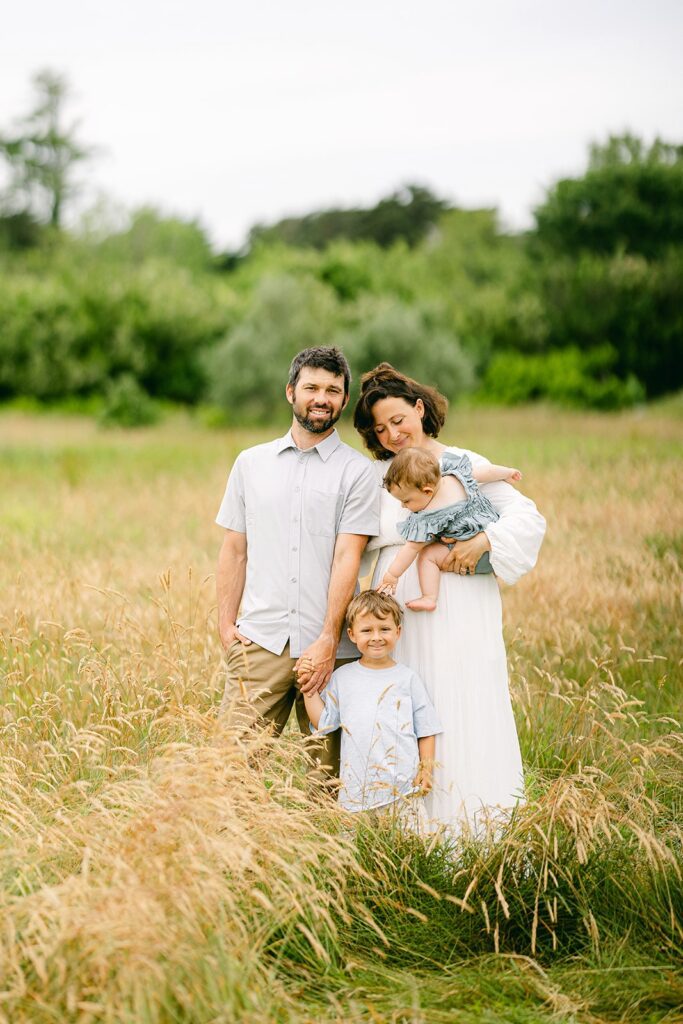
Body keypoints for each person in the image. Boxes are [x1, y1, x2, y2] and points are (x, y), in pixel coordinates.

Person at [353, 363, 546, 834]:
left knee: (464, 698)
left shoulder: (460, 461)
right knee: (407, 703)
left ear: (419, 408)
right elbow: (350, 544)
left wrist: (486, 542)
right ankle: (410, 834)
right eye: (380, 429)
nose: (392, 434)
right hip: (400, 613)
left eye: (398, 420)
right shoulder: (377, 478)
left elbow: (526, 516)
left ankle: (476, 828)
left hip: (462, 604)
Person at [215, 347, 380, 775]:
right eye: (311, 387)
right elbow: (235, 549)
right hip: (259, 644)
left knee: (327, 779)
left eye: (333, 390)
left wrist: (327, 639)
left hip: (330, 650)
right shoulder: (250, 464)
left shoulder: (358, 473)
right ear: (291, 392)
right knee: (232, 772)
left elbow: (348, 556)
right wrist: (225, 626)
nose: (321, 398)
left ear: (345, 401)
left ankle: (317, 845)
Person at [302, 591, 442, 818]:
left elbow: (426, 728)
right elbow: (324, 724)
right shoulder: (342, 677)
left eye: (384, 629)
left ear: (398, 632)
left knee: (409, 848)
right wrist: (308, 691)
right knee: (359, 851)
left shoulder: (407, 679)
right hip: (357, 794)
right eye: (367, 630)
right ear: (352, 634)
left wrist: (426, 769)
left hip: (403, 791)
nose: (376, 636)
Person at [378, 446, 522, 612]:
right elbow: (487, 472)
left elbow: (410, 549)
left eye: (406, 501)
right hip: (495, 544)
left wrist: (392, 575)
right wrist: (507, 472)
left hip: (473, 556)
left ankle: (429, 597)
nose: (403, 506)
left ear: (427, 491)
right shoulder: (457, 475)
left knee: (427, 556)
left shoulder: (429, 516)